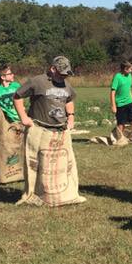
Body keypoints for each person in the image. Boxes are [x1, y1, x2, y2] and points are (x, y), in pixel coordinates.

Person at [13, 56, 86, 206]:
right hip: (40, 130)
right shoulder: (37, 82)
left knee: (64, 165)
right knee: (37, 165)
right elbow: (17, 96)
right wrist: (24, 117)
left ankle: (66, 195)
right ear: (52, 69)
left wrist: (71, 117)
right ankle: (37, 194)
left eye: (66, 74)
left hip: (60, 130)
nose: (64, 76)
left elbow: (70, 99)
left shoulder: (66, 84)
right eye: (61, 73)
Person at [110, 60, 132, 143]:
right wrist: (113, 105)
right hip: (120, 104)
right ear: (125, 69)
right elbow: (112, 92)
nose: (131, 71)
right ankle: (119, 139)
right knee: (121, 124)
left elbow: (128, 89)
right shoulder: (117, 77)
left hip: (129, 102)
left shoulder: (129, 76)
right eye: (130, 69)